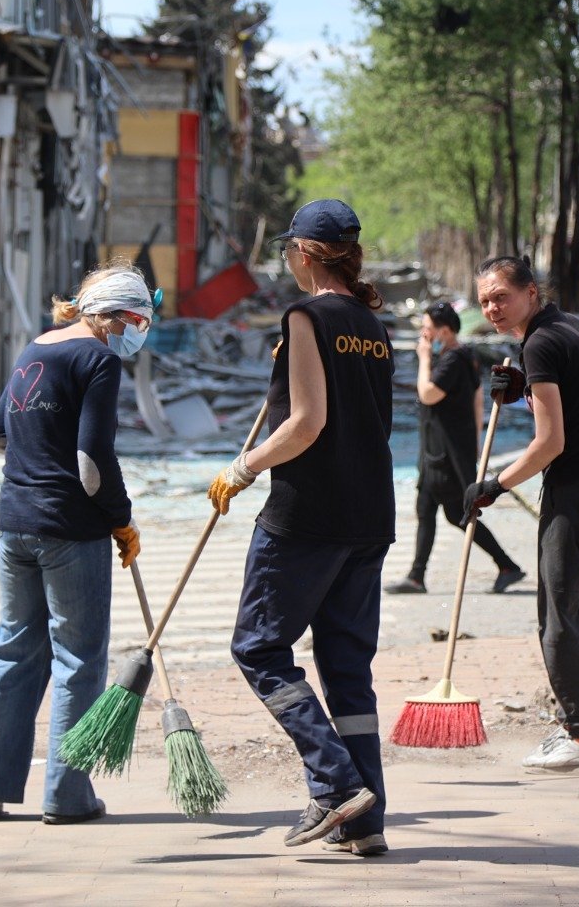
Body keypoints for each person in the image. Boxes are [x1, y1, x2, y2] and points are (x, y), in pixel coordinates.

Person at [207, 199, 394, 857]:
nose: (287, 260)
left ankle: (334, 782)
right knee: (346, 669)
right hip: (369, 515)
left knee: (259, 650)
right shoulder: (371, 324)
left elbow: (307, 423)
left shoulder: (306, 315)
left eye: (290, 250)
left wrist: (243, 466)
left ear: (308, 254)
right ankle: (365, 821)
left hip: (307, 516)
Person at [0, 260, 155, 825]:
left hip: (14, 524)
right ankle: (68, 797)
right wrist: (121, 518)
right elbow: (93, 462)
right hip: (69, 530)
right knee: (77, 659)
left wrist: (35, 466)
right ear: (113, 316)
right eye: (137, 319)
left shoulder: (36, 348)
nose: (137, 330)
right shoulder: (98, 359)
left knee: (13, 649)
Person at [465, 257, 579, 775]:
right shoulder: (570, 325)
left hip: (577, 490)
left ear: (530, 292)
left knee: (556, 620)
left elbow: (550, 441)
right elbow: (574, 398)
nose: (492, 307)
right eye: (485, 299)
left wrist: (495, 484)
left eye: (501, 296)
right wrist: (523, 390)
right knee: (575, 612)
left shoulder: (539, 343)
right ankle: (576, 726)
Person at [386, 301, 525, 596]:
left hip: (445, 454)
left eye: (427, 330)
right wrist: (475, 440)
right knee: (433, 508)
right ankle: (417, 576)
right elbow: (476, 397)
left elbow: (427, 394)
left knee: (455, 512)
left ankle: (506, 565)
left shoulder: (453, 360)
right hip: (440, 450)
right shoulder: (461, 356)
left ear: (444, 332)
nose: (423, 336)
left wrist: (423, 359)